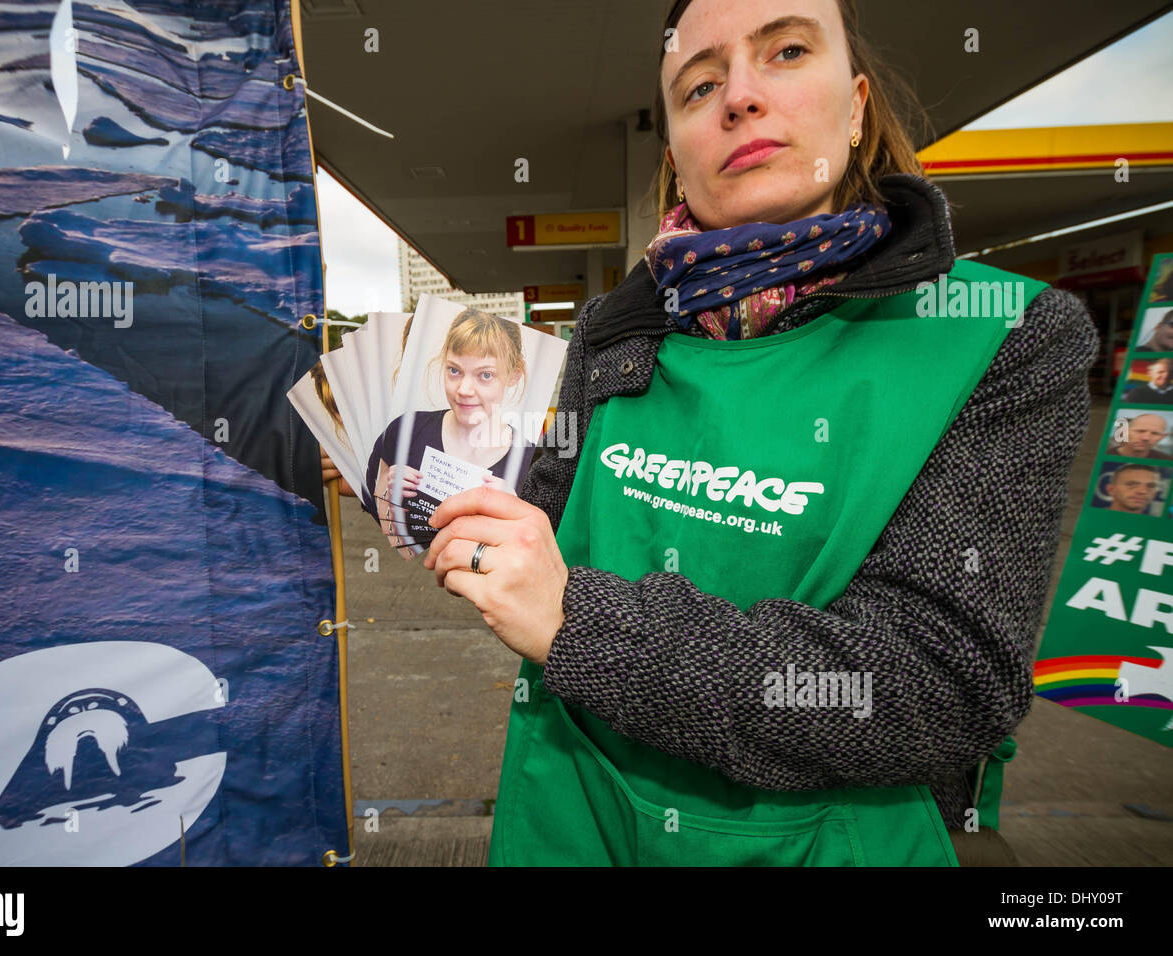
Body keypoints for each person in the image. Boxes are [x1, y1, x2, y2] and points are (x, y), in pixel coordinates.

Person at [414, 0, 1098, 868]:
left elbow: (937, 685)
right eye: (699, 85)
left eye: (784, 50)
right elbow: (541, 538)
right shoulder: (612, 330)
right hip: (573, 817)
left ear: (854, 108)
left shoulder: (999, 336)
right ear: (676, 158)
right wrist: (445, 500)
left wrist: (580, 623)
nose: (738, 96)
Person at [366, 308, 534, 547]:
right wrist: (385, 490)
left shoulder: (532, 459)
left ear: (514, 375)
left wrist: (520, 513)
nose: (464, 389)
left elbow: (542, 551)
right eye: (454, 370)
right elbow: (377, 510)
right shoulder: (405, 431)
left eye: (485, 375)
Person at [1106, 412, 1173, 459]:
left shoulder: (1167, 459)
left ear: (1162, 437)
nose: (1146, 438)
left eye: (1155, 433)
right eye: (1140, 431)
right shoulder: (1104, 453)